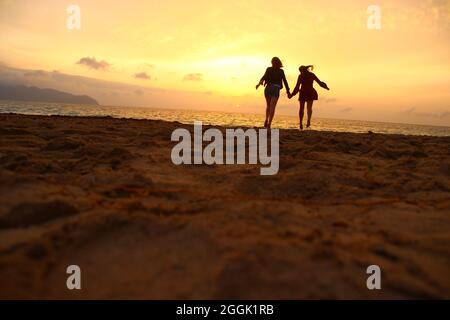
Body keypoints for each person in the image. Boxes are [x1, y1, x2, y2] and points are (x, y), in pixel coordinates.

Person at [289, 65, 329, 130]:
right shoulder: (308, 75)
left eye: (301, 71)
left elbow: (319, 83)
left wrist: (326, 87)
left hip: (307, 92)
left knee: (308, 108)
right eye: (300, 71)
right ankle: (301, 123)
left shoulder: (304, 75)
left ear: (304, 70)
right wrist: (292, 94)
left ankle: (308, 121)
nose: (301, 72)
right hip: (306, 92)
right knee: (303, 108)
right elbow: (297, 86)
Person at [256, 57, 290, 128]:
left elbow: (264, 77)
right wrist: (288, 91)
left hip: (268, 88)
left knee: (268, 106)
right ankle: (269, 123)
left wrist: (259, 84)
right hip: (276, 88)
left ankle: (266, 119)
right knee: (272, 107)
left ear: (272, 62)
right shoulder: (281, 71)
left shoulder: (269, 69)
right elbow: (285, 81)